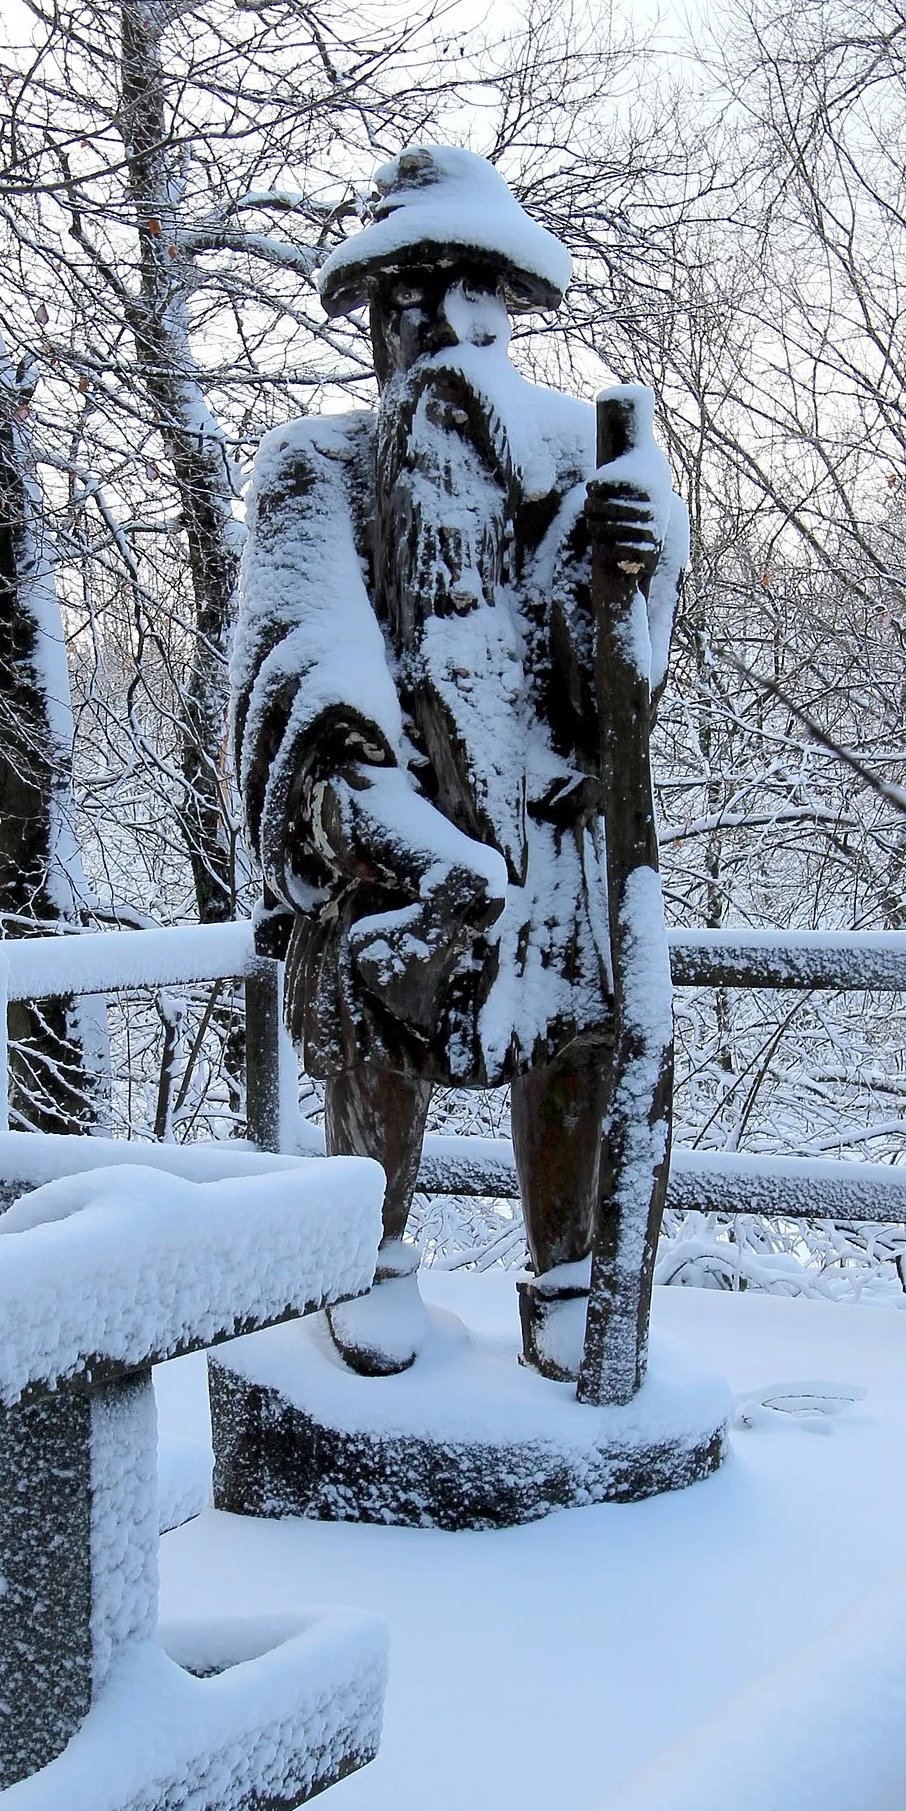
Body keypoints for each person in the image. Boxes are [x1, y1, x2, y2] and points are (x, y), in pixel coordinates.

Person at [230, 145, 688, 1378]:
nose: (439, 320)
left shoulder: (578, 449)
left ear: (507, 303)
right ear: (376, 313)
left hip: (550, 818)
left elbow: (622, 691)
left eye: (468, 291)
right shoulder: (316, 464)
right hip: (391, 816)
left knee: (574, 1029)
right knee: (374, 1026)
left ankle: (570, 1272)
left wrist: (642, 561)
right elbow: (299, 657)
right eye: (409, 294)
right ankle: (366, 1260)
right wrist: (379, 814)